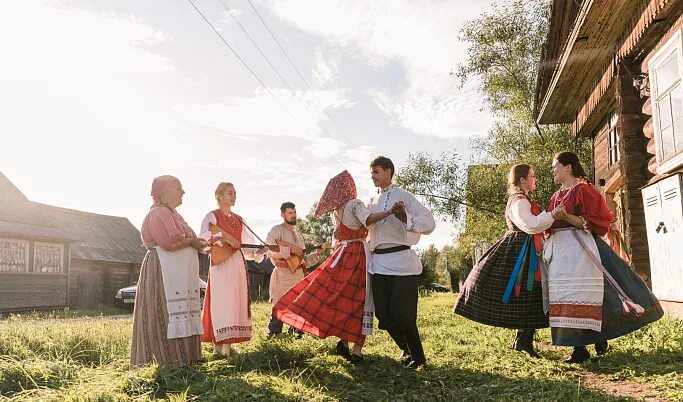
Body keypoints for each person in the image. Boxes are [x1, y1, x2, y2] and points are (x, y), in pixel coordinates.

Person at [544, 151, 663, 363]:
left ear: (568, 167)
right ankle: (579, 348)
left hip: (582, 250)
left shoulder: (583, 190)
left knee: (595, 293)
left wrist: (567, 217)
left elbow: (597, 224)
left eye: (555, 166)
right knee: (567, 298)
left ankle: (599, 337)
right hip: (562, 256)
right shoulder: (555, 197)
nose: (553, 170)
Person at [273, 170, 394, 364]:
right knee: (360, 299)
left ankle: (343, 343)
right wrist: (389, 211)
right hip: (357, 254)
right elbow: (368, 220)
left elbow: (338, 237)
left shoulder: (336, 211)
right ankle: (356, 351)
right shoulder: (354, 204)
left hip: (341, 254)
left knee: (340, 298)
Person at [454, 164, 563, 357]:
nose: (535, 179)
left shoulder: (523, 199)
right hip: (521, 250)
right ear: (522, 179)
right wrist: (553, 214)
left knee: (527, 295)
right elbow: (530, 225)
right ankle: (524, 341)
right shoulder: (519, 201)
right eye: (532, 176)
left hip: (527, 248)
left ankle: (522, 340)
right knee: (527, 292)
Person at [366, 156, 436, 369]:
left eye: (376, 171)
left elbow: (429, 222)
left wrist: (404, 217)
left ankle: (418, 356)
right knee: (383, 316)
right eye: (371, 172)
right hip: (377, 263)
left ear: (388, 171)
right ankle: (407, 349)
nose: (372, 176)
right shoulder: (370, 201)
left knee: (404, 315)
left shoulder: (404, 196)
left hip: (401, 262)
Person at [130, 175, 206, 369]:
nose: (183, 192)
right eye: (178, 188)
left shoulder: (175, 215)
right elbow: (169, 242)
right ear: (164, 193)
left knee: (181, 310)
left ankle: (186, 358)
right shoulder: (157, 214)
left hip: (179, 271)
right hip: (162, 271)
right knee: (162, 310)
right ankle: (165, 360)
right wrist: (192, 242)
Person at [199, 182, 266, 356]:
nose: (234, 196)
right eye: (230, 193)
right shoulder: (211, 216)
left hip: (237, 264)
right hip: (221, 265)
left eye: (235, 193)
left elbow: (245, 247)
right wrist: (224, 237)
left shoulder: (239, 219)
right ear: (219, 196)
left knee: (235, 301)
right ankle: (220, 348)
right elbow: (203, 241)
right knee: (223, 302)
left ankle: (225, 348)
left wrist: (258, 251)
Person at [265, 202, 322, 338]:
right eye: (290, 213)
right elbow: (270, 249)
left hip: (298, 276)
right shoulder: (276, 230)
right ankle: (274, 334)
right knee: (280, 304)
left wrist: (317, 254)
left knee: (299, 306)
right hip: (283, 275)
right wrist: (289, 251)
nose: (293, 215)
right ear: (282, 214)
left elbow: (303, 261)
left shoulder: (299, 235)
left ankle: (296, 334)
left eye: (294, 212)